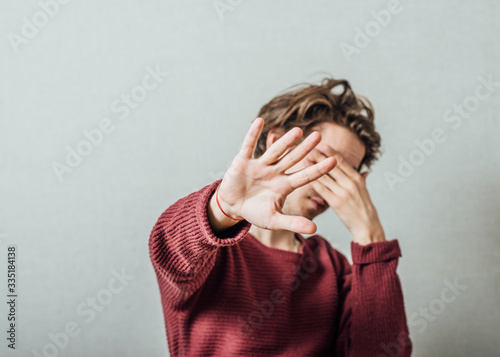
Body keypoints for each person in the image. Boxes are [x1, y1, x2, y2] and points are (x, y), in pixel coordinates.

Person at [149, 78, 413, 356]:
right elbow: (168, 248)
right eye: (321, 160)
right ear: (278, 143)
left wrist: (370, 237)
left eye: (347, 176)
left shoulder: (333, 268)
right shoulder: (213, 251)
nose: (330, 182)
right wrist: (223, 207)